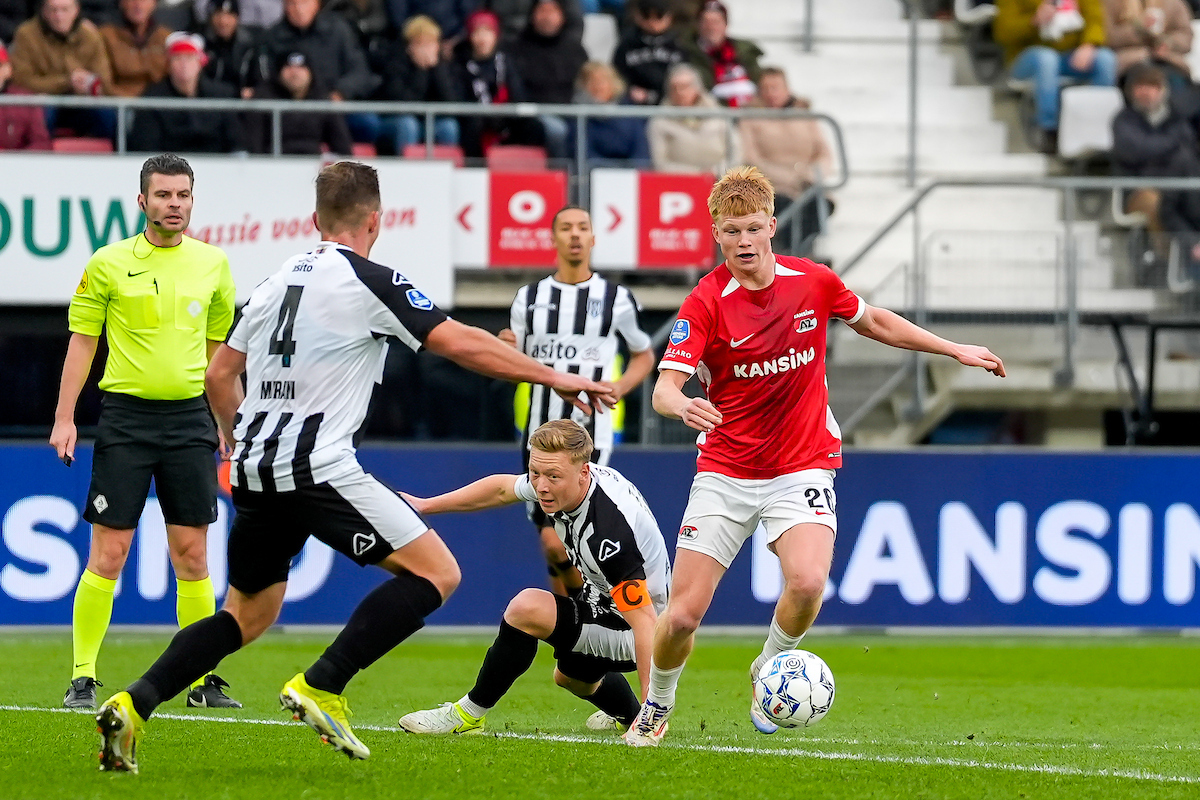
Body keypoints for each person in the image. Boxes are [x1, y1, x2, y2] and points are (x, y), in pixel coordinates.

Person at [92, 160, 615, 773]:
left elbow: (218, 375)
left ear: (315, 220)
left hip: (258, 466)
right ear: (376, 220)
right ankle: (323, 683)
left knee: (246, 613)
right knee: (438, 574)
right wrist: (553, 374)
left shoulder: (276, 278)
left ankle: (133, 703)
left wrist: (235, 440)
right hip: (317, 463)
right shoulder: (370, 279)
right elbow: (457, 342)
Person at [623, 166, 1006, 747]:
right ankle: (658, 704)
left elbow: (873, 320)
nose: (745, 241)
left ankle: (768, 665)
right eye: (732, 231)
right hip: (726, 472)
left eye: (754, 228)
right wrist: (681, 405)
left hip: (802, 464)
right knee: (680, 617)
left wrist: (953, 348)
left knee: (807, 584)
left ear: (773, 226)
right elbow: (665, 386)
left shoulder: (814, 281)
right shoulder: (706, 302)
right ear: (717, 236)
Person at [50, 154, 240, 712]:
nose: (174, 204)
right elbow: (82, 343)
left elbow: (218, 360)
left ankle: (202, 679)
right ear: (142, 201)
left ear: (191, 200)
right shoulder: (107, 263)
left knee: (193, 556)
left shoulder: (214, 264)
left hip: (188, 422)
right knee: (109, 552)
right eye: (163, 195)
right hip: (126, 420)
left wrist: (231, 426)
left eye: (182, 195)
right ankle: (83, 676)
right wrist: (65, 417)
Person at [397, 420, 669, 735]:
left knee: (526, 608)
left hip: (645, 626)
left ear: (583, 472)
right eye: (534, 473)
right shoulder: (565, 479)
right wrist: (425, 505)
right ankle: (628, 713)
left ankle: (468, 715)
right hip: (604, 601)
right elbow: (501, 489)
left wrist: (655, 714)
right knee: (570, 677)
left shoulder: (609, 532)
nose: (540, 486)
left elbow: (645, 622)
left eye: (552, 476)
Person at [499, 205, 653, 596]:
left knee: (566, 540)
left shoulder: (615, 298)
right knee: (552, 546)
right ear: (553, 238)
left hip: (592, 432)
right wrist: (505, 349)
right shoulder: (528, 299)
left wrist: (620, 387)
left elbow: (644, 354)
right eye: (566, 227)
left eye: (583, 227)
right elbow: (512, 358)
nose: (575, 234)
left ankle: (589, 617)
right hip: (538, 432)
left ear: (593, 238)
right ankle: (577, 620)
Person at [993, 0, 1116, 153]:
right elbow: (1002, 33)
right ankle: (1049, 130)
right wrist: (1034, 21)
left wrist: (1089, 44)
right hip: (1026, 57)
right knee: (1047, 59)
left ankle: (1098, 126)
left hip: (1070, 56)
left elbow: (1095, 19)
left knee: (1105, 59)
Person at [1112, 61, 1200, 267]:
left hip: (1174, 188)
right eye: (1140, 87)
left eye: (1152, 86)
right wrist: (1171, 144)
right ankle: (1168, 260)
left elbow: (1187, 154)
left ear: (1162, 90)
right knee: (1157, 203)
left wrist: (1161, 148)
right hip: (1139, 191)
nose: (1146, 92)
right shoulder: (1124, 120)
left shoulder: (1176, 119)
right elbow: (1138, 152)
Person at [739, 67, 835, 249]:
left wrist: (813, 174)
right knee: (783, 207)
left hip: (806, 182)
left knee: (817, 207)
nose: (771, 93)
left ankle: (804, 256)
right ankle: (789, 256)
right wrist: (788, 178)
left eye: (775, 87)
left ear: (787, 89)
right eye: (765, 88)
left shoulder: (805, 115)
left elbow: (823, 152)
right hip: (771, 185)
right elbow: (750, 157)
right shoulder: (750, 118)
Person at [258, 0, 379, 140]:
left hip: (334, 108)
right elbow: (265, 76)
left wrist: (341, 93)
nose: (298, 9)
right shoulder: (272, 37)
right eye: (292, 3)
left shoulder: (338, 31)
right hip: (289, 110)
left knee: (368, 122)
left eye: (304, 3)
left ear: (317, 4)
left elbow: (359, 71)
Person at [9, 0, 115, 137]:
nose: (59, 16)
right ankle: (42, 155)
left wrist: (89, 83)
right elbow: (21, 79)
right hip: (43, 102)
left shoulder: (91, 35)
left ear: (76, 10)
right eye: (53, 10)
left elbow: (105, 80)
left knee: (108, 115)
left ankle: (106, 157)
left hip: (81, 101)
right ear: (43, 11)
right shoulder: (26, 34)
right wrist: (67, 82)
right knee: (42, 115)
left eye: (65, 10)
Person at [129, 32, 244, 152]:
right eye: (177, 58)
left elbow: (236, 140)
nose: (184, 64)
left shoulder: (221, 95)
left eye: (189, 57)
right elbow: (146, 144)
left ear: (200, 63)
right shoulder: (152, 99)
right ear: (168, 64)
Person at [454, 9, 541, 156]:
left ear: (495, 36)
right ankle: (474, 169)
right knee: (473, 126)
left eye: (487, 32)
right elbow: (459, 97)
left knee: (533, 126)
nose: (482, 39)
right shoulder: (461, 64)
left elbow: (518, 93)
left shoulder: (506, 62)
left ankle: (529, 170)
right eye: (477, 32)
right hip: (477, 119)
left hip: (505, 117)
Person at [371, 14, 461, 155]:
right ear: (409, 46)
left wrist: (436, 70)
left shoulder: (443, 67)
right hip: (396, 121)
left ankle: (445, 170)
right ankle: (406, 171)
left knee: (449, 126)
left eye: (430, 43)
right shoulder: (395, 65)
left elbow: (451, 102)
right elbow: (404, 103)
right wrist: (421, 71)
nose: (426, 49)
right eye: (420, 43)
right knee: (408, 125)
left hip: (429, 122)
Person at [510, 0, 586, 159]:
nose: (547, 17)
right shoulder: (517, 48)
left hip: (571, 112)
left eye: (552, 11)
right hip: (533, 114)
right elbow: (516, 90)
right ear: (532, 15)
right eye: (542, 11)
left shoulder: (575, 50)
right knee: (557, 130)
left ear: (563, 16)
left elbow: (584, 86)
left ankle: (585, 177)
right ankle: (562, 177)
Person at [244, 49, 354, 154]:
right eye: (288, 67)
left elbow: (342, 146)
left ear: (311, 72)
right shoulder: (263, 99)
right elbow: (253, 144)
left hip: (312, 165)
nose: (294, 73)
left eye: (301, 67)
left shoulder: (322, 100)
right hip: (272, 164)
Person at [647, 62, 740, 174]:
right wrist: (696, 174)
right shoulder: (660, 120)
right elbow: (660, 162)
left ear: (697, 88)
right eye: (674, 88)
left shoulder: (718, 114)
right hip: (679, 182)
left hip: (722, 178)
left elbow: (737, 151)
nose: (679, 92)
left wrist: (717, 171)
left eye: (684, 86)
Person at [682, 0, 761, 107]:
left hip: (747, 111)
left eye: (716, 22)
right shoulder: (686, 53)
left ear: (726, 25)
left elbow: (759, 80)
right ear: (698, 25)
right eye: (706, 22)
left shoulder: (744, 50)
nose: (711, 27)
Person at [573, 61, 651, 167]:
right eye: (592, 81)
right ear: (583, 85)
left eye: (602, 81)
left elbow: (640, 150)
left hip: (629, 174)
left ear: (613, 83)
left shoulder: (629, 112)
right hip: (594, 175)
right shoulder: (579, 115)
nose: (598, 86)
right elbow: (583, 153)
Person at [612, 0, 682, 105]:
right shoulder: (626, 45)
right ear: (637, 16)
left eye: (659, 16)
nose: (652, 22)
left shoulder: (680, 44)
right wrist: (629, 90)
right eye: (646, 15)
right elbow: (616, 76)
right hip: (634, 105)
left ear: (669, 17)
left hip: (672, 104)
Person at [1104, 0, 1193, 83]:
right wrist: (1138, 29)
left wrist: (1167, 43)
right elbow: (1107, 37)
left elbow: (1185, 36)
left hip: (1168, 60)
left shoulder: (1173, 3)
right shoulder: (1112, 2)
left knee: (1176, 81)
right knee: (1144, 82)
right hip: (1129, 61)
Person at [99, 0, 170, 97]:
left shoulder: (166, 38)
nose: (138, 5)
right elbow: (103, 81)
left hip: (158, 105)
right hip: (117, 104)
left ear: (154, 3)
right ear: (121, 3)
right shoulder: (105, 36)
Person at [0, 42, 53, 151]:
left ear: (8, 69)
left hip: (15, 165)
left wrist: (15, 160)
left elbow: (41, 143)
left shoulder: (25, 101)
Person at [202, 0, 258, 97]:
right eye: (218, 14)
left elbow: (259, 79)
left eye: (229, 15)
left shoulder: (249, 45)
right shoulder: (202, 43)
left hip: (242, 105)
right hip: (208, 102)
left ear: (237, 18)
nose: (223, 21)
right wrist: (233, 92)